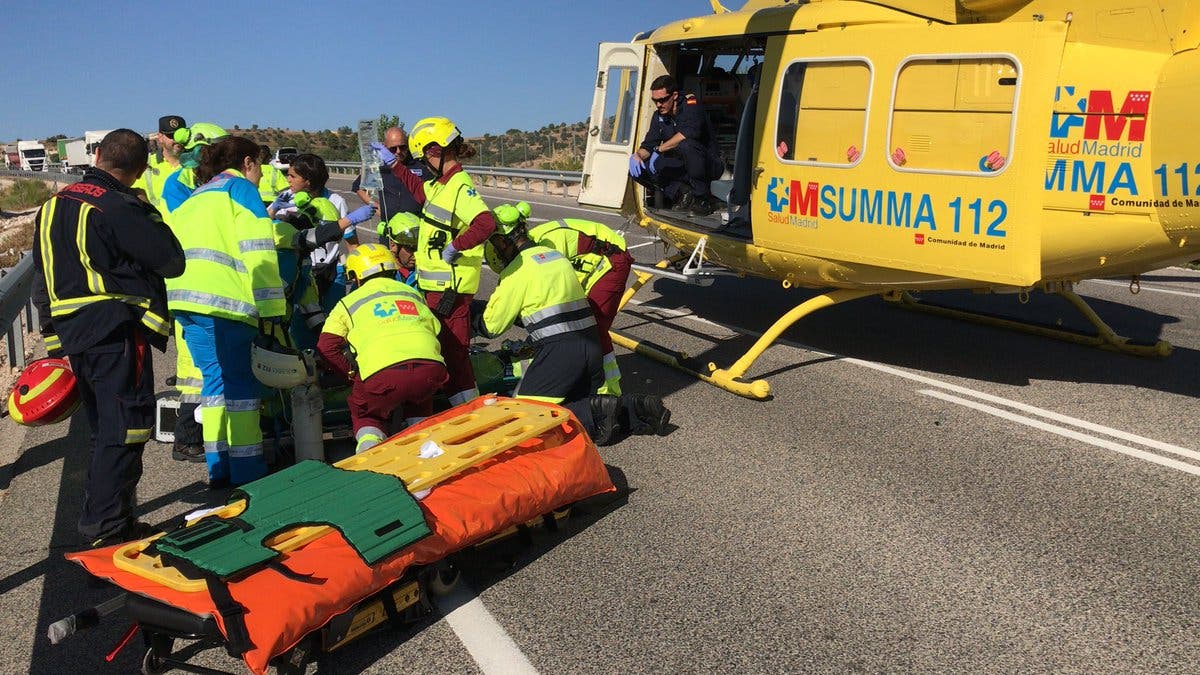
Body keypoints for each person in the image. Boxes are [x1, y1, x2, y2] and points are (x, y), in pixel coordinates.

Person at [31, 129, 185, 546]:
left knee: (104, 430)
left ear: (97, 154)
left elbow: (42, 278)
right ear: (140, 170)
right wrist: (149, 211)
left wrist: (53, 342)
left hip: (73, 334)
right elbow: (172, 261)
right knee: (126, 430)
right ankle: (107, 530)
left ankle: (109, 521)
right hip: (115, 331)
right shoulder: (119, 205)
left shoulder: (51, 206)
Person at [473, 215, 669, 445]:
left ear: (503, 242)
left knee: (528, 416)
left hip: (562, 353)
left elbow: (492, 326)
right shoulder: (555, 257)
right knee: (569, 402)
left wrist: (471, 312)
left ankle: (595, 412)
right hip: (590, 348)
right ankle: (635, 408)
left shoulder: (516, 272)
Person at [167, 135, 287, 487]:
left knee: (214, 385)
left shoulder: (197, 195)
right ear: (248, 163)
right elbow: (259, 251)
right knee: (241, 387)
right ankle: (249, 471)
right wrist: (271, 308)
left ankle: (218, 467)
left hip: (185, 300)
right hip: (224, 303)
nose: (262, 175)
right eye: (260, 166)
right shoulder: (240, 189)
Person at [371, 116, 497, 406]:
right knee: (441, 351)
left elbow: (485, 223)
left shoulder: (459, 186)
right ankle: (455, 406)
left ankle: (468, 411)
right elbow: (419, 191)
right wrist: (395, 165)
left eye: (424, 157)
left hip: (450, 289)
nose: (424, 164)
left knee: (455, 355)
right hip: (437, 288)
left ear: (433, 150)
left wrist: (455, 246)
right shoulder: (442, 184)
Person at [317, 244, 448, 454]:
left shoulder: (348, 303)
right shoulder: (412, 293)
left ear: (356, 277)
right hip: (429, 369)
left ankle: (370, 455)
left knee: (366, 414)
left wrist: (352, 375)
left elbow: (326, 347)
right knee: (419, 404)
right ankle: (428, 454)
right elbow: (436, 330)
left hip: (381, 377)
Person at [496, 202, 631, 395]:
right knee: (569, 324)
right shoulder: (530, 246)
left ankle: (608, 390)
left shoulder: (542, 247)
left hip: (611, 259)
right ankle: (576, 378)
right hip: (588, 262)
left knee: (592, 327)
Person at [628, 74, 725, 216]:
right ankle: (683, 192)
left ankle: (702, 199)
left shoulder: (691, 105)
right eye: (655, 101)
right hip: (682, 165)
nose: (658, 105)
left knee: (687, 145)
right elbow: (649, 144)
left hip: (708, 164)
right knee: (638, 169)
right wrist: (637, 156)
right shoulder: (659, 116)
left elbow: (688, 133)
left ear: (674, 95)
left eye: (662, 100)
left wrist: (659, 150)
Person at [352, 126, 433, 231]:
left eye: (402, 147)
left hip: (416, 229)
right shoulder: (379, 166)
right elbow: (359, 187)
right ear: (385, 147)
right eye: (393, 149)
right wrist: (375, 206)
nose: (398, 152)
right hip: (389, 230)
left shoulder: (421, 165)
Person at [161, 122, 229, 214]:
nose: (224, 159)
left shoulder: (230, 175)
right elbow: (187, 218)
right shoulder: (177, 184)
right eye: (218, 154)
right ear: (199, 154)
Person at [131, 114, 186, 215]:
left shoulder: (196, 164)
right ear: (160, 137)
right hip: (158, 223)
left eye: (180, 135)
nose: (176, 140)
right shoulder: (146, 165)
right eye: (171, 136)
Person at [378, 211, 421, 288]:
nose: (416, 255)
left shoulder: (424, 271)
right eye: (411, 248)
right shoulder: (379, 273)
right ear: (393, 245)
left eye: (419, 248)